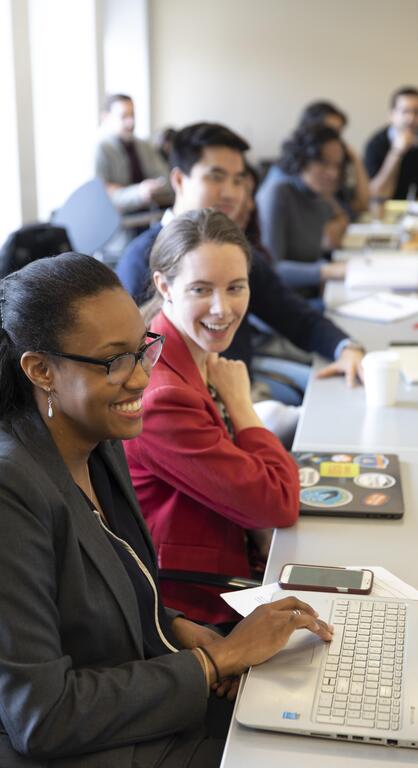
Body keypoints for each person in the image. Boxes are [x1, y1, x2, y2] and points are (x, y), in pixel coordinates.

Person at [0, 251, 333, 767]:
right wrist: (216, 658)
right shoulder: (11, 491)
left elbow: (112, 587)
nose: (140, 379)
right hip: (94, 747)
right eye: (115, 361)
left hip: (145, 700)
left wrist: (175, 627)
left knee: (321, 719)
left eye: (143, 350)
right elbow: (43, 716)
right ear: (41, 370)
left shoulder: (97, 439)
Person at [125, 209, 300, 624]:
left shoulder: (185, 348)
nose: (222, 309)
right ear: (164, 286)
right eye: (202, 289)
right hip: (197, 601)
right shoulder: (162, 394)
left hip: (236, 540)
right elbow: (276, 505)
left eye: (236, 287)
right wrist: (243, 407)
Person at [116, 122, 365, 406]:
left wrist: (346, 348)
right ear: (179, 181)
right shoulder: (140, 259)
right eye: (216, 177)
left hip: (241, 385)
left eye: (238, 180)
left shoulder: (231, 249)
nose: (231, 193)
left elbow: (295, 316)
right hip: (193, 404)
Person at [256, 125, 349, 287]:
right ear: (302, 159)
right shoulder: (277, 192)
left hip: (310, 294)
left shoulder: (317, 191)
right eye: (323, 163)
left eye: (337, 165)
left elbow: (334, 235)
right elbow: (271, 268)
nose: (333, 173)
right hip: (283, 302)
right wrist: (328, 271)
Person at [95, 93, 172, 214]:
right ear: (106, 117)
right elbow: (101, 195)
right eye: (124, 116)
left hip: (149, 216)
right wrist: (139, 192)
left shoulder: (143, 145)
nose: (131, 122)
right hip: (121, 225)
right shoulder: (101, 149)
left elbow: (164, 177)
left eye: (132, 115)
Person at [298, 100, 369, 215]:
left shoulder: (335, 166)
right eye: (329, 132)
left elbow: (362, 205)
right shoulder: (301, 175)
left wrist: (355, 159)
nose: (336, 140)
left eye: (338, 134)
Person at [364, 86, 418, 200]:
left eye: (417, 112)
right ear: (392, 114)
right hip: (386, 208)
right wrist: (396, 152)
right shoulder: (375, 144)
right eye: (405, 111)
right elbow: (374, 193)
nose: (411, 118)